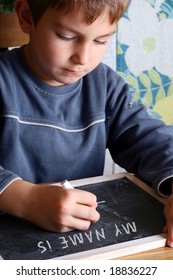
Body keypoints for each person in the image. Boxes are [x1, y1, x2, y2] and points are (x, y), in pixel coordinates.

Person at [0, 0, 173, 247]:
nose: (83, 57)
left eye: (100, 41)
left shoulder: (105, 87)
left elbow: (151, 139)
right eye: (66, 36)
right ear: (26, 16)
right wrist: (28, 200)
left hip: (81, 244)